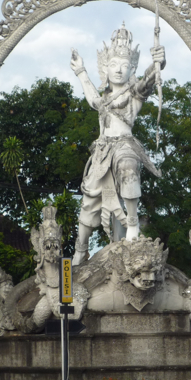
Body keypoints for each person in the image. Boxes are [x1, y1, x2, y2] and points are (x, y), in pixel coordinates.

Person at [70, 22, 165, 264]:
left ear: (132, 68)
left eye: (124, 65)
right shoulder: (104, 98)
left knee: (128, 167)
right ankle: (81, 250)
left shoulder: (134, 95)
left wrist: (158, 64)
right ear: (105, 68)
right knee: (88, 203)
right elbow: (92, 98)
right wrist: (81, 71)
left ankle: (132, 223)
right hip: (103, 151)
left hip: (124, 145)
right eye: (113, 65)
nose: (119, 70)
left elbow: (147, 82)